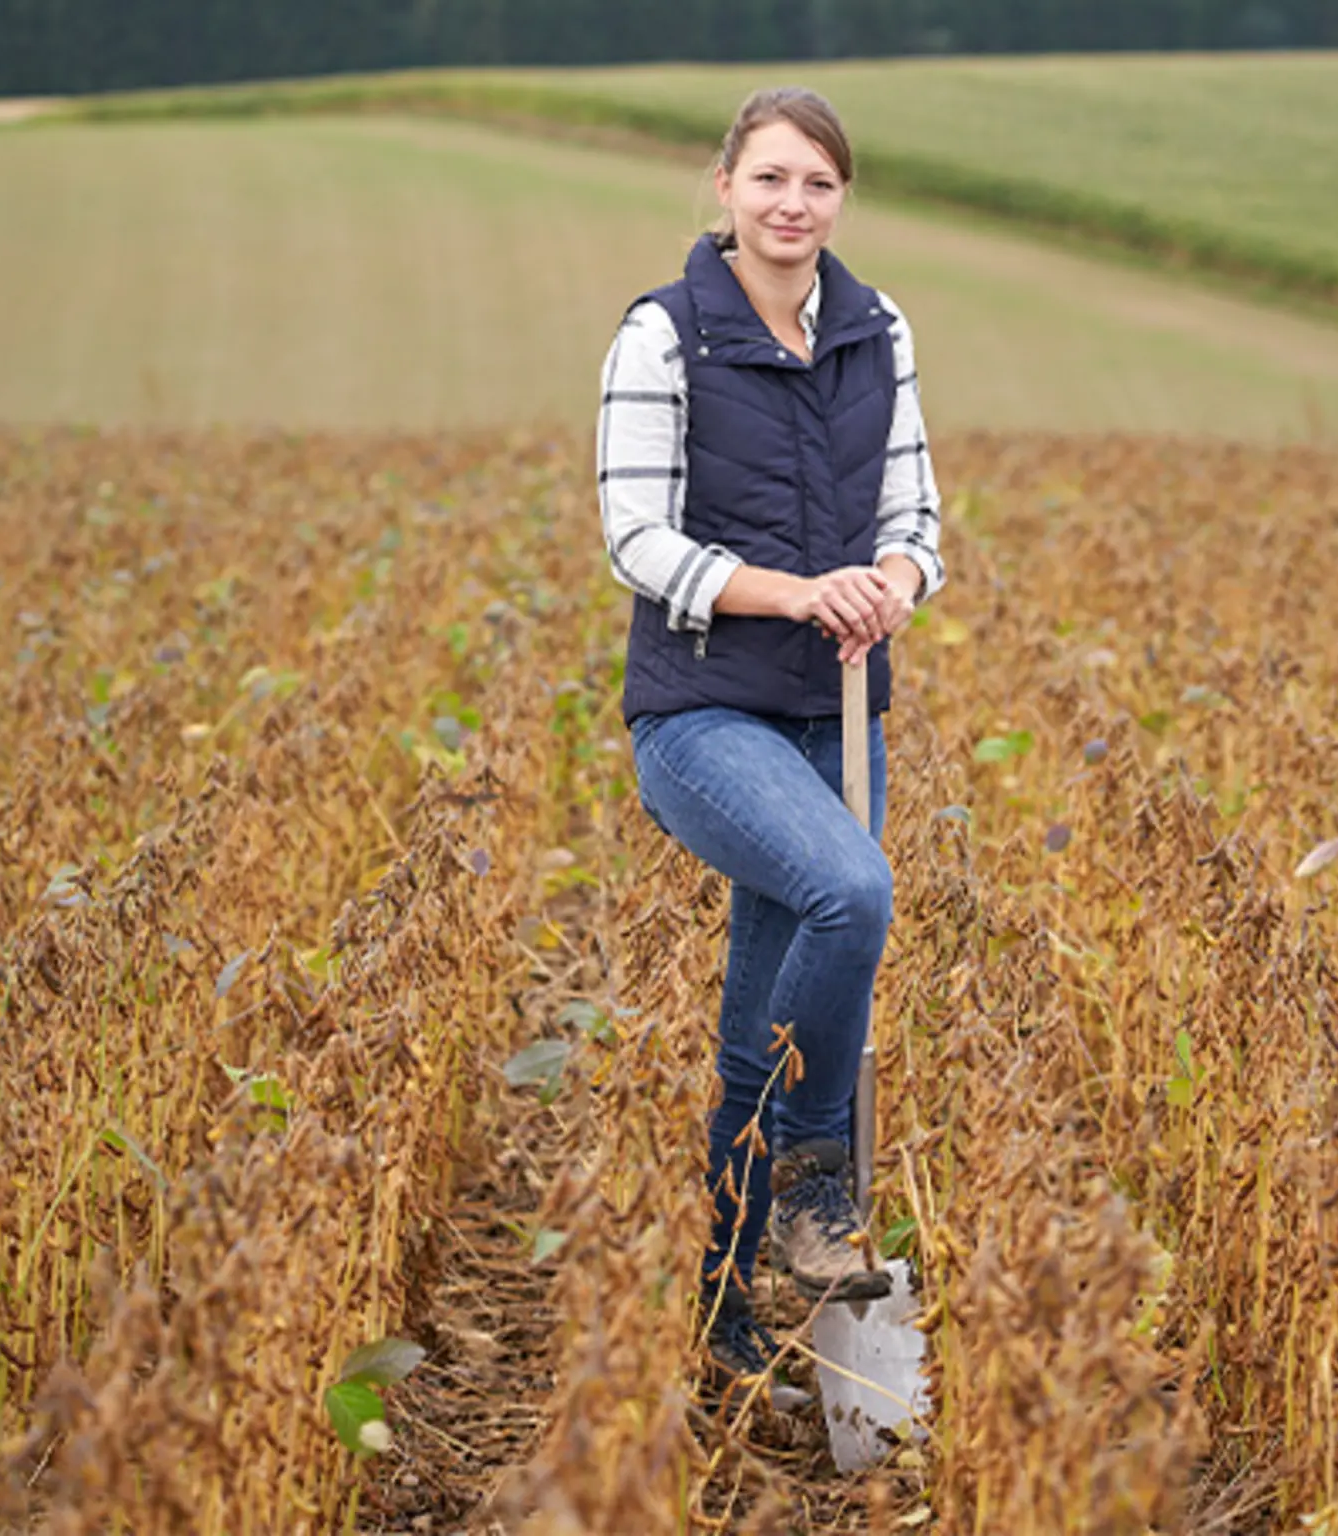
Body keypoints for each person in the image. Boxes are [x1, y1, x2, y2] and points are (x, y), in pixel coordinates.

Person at [594, 85, 946, 1396]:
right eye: (771, 181)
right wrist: (796, 590)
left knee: (762, 1023)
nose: (793, 205)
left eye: (818, 185)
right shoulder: (665, 334)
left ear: (840, 200)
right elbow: (635, 538)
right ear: (726, 189)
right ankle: (810, 1184)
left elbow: (916, 515)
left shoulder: (875, 327)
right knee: (850, 893)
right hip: (704, 713)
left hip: (839, 712)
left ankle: (719, 1323)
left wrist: (894, 583)